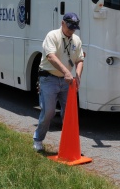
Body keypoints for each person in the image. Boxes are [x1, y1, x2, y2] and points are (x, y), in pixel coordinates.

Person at [33, 12, 84, 152]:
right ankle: (38, 139)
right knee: (49, 111)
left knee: (69, 113)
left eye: (74, 28)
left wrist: (77, 76)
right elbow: (51, 57)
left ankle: (68, 144)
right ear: (62, 23)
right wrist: (67, 72)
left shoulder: (76, 40)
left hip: (67, 82)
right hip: (49, 78)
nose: (71, 30)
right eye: (69, 27)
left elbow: (80, 60)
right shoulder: (52, 36)